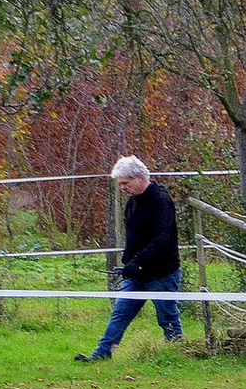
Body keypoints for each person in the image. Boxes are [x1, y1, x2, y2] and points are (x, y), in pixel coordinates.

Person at [76, 155, 183, 362]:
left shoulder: (160, 200)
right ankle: (102, 353)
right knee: (120, 313)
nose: (122, 188)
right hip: (137, 274)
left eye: (125, 183)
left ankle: (177, 353)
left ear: (140, 178)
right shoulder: (133, 201)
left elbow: (161, 239)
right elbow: (135, 237)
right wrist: (129, 263)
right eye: (120, 184)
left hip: (162, 272)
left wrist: (137, 262)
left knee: (167, 317)